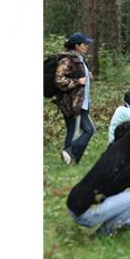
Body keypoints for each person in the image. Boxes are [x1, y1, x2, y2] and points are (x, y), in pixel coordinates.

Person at [66, 117, 130, 237]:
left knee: (125, 197)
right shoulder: (121, 149)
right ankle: (101, 236)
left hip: (74, 207)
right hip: (85, 213)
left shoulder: (120, 159)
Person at [54, 32, 95, 165]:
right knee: (76, 130)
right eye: (84, 44)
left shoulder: (80, 59)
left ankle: (71, 156)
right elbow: (59, 80)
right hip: (72, 102)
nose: (87, 46)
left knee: (88, 129)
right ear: (77, 45)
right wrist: (78, 81)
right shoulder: (67, 60)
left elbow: (80, 76)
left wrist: (87, 76)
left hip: (82, 102)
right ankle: (69, 155)